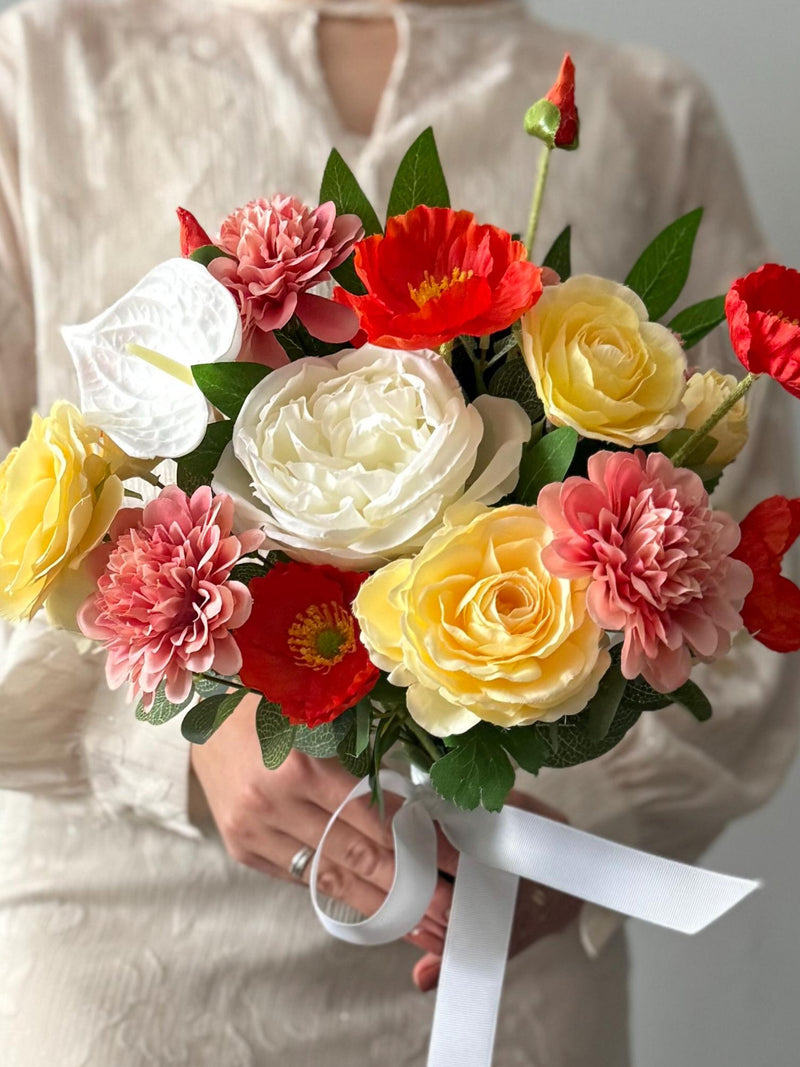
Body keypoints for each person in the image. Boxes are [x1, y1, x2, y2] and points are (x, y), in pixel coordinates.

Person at [0, 0, 797, 1064]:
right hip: (125, 943)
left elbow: (745, 576)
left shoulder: (648, 113)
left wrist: (579, 828)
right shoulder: (40, 71)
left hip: (492, 943)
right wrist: (173, 743)